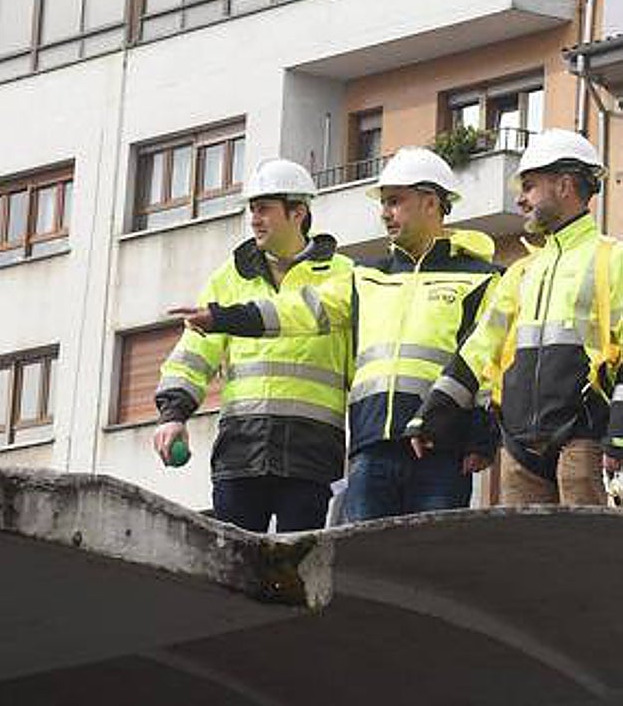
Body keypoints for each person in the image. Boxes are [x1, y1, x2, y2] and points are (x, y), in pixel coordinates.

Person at [173, 148, 499, 522]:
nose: (384, 213)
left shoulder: (482, 277)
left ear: (430, 203)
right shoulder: (367, 276)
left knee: (428, 565)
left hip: (441, 449)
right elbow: (300, 309)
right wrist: (220, 317)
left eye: (395, 202)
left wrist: (482, 438)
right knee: (360, 569)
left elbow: (485, 365)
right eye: (384, 203)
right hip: (370, 447)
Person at [407, 129, 623, 506]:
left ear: (565, 185)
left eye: (529, 186)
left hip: (585, 438)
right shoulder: (521, 272)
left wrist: (618, 434)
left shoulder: (613, 258)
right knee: (524, 561)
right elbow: (479, 347)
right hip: (519, 448)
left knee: (586, 557)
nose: (520, 199)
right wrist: (434, 412)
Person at [152, 159, 352, 533]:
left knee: (295, 571)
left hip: (310, 453)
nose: (254, 219)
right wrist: (173, 414)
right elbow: (194, 353)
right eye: (252, 210)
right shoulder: (229, 277)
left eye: (264, 209)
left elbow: (361, 363)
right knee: (234, 569)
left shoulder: (344, 275)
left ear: (298, 212)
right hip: (240, 450)